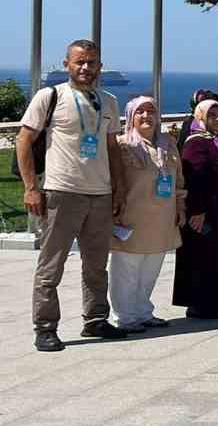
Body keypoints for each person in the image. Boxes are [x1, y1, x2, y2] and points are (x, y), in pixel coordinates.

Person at [17, 39, 127, 350]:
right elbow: (24, 140)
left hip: (101, 194)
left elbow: (112, 148)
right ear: (67, 64)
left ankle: (95, 320)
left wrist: (118, 190)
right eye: (79, 62)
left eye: (91, 62)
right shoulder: (50, 96)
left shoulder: (108, 101)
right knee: (51, 265)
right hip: (62, 192)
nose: (85, 68)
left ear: (99, 66)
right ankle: (45, 327)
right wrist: (30, 188)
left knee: (96, 264)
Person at [109, 95, 184, 331]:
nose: (145, 116)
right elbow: (112, 181)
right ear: (131, 116)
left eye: (150, 111)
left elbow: (178, 179)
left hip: (161, 218)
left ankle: (143, 311)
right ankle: (124, 316)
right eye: (139, 112)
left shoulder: (168, 144)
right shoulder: (122, 145)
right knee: (126, 269)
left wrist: (180, 207)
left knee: (151, 268)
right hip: (131, 216)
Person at [174, 98, 218, 319]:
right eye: (211, 115)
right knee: (205, 257)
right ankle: (203, 303)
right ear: (200, 117)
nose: (217, 119)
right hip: (207, 212)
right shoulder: (196, 142)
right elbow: (194, 177)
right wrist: (197, 210)